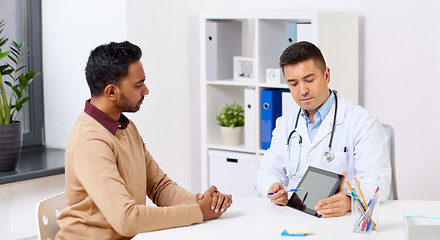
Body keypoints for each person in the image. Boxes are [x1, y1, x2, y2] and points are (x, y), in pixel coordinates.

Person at [56, 41, 232, 240]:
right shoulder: (90, 141)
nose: (146, 91)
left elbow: (159, 186)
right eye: (138, 85)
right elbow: (127, 219)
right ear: (111, 91)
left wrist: (202, 203)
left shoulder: (125, 127)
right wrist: (198, 212)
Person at [255, 41, 391, 218]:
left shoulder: (362, 122)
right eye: (293, 83)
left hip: (342, 221)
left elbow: (378, 181)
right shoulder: (285, 124)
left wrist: (349, 201)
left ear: (326, 75)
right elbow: (266, 171)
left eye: (309, 80)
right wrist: (272, 187)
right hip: (296, 218)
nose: (302, 90)